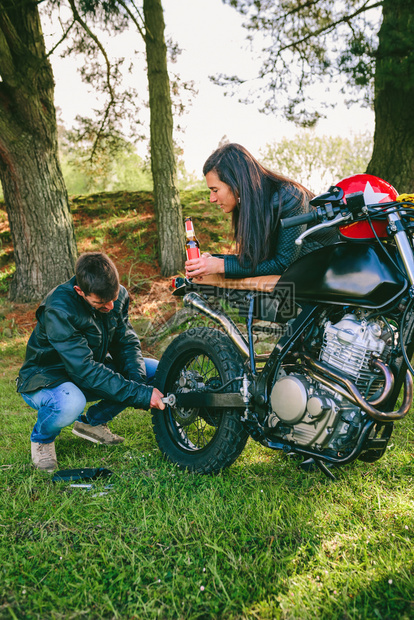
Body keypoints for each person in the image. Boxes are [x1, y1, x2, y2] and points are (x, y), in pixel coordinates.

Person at [17, 252, 165, 472]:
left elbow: (125, 343)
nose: (110, 306)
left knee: (153, 369)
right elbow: (84, 369)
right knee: (71, 402)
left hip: (86, 370)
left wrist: (138, 382)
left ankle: (91, 423)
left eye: (114, 298)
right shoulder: (59, 308)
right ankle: (42, 439)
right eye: (101, 302)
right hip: (47, 377)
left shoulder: (116, 297)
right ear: (80, 291)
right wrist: (141, 394)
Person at [185, 143, 333, 280]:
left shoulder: (290, 198)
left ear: (236, 182)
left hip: (328, 271)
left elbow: (283, 264)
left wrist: (220, 265)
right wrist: (211, 261)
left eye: (215, 190)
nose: (212, 199)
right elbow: (254, 261)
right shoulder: (250, 205)